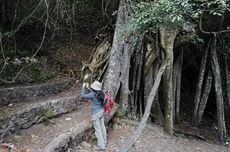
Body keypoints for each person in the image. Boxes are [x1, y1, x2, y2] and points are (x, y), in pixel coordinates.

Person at [80, 80, 107, 151]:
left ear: (94, 88)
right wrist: (88, 88)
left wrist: (83, 87)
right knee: (102, 127)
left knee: (98, 130)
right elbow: (92, 92)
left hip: (96, 114)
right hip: (102, 111)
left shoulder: (93, 94)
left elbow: (82, 96)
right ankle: (105, 142)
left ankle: (102, 147)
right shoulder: (102, 93)